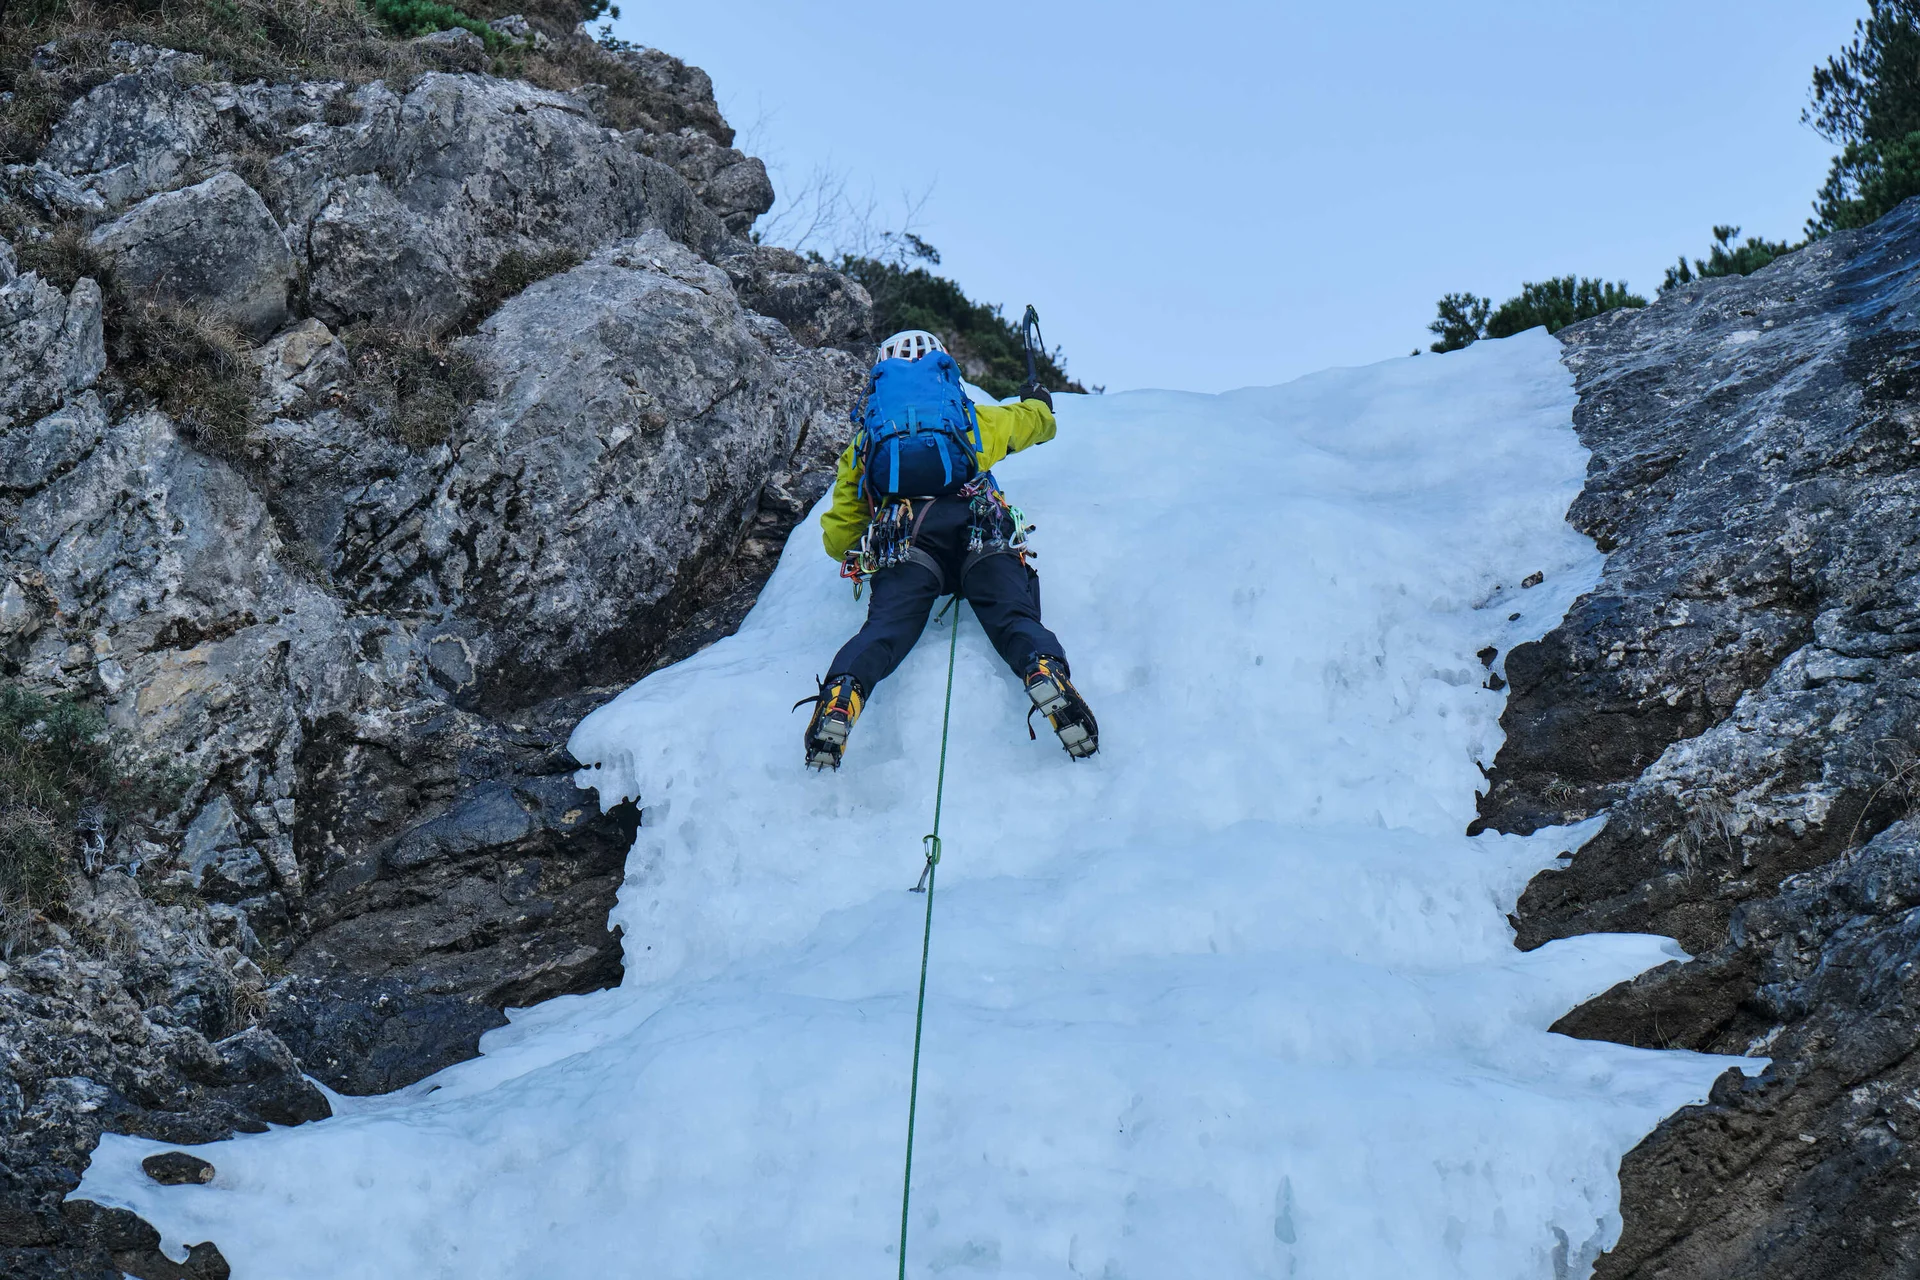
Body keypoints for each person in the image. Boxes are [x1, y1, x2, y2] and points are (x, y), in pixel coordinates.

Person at [799, 329, 1098, 770]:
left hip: (908, 541)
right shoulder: (969, 421)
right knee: (1013, 618)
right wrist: (1038, 401)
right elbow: (1036, 423)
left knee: (884, 632)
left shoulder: (866, 443)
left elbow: (840, 539)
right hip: (981, 528)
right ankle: (1042, 669)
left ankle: (845, 691)